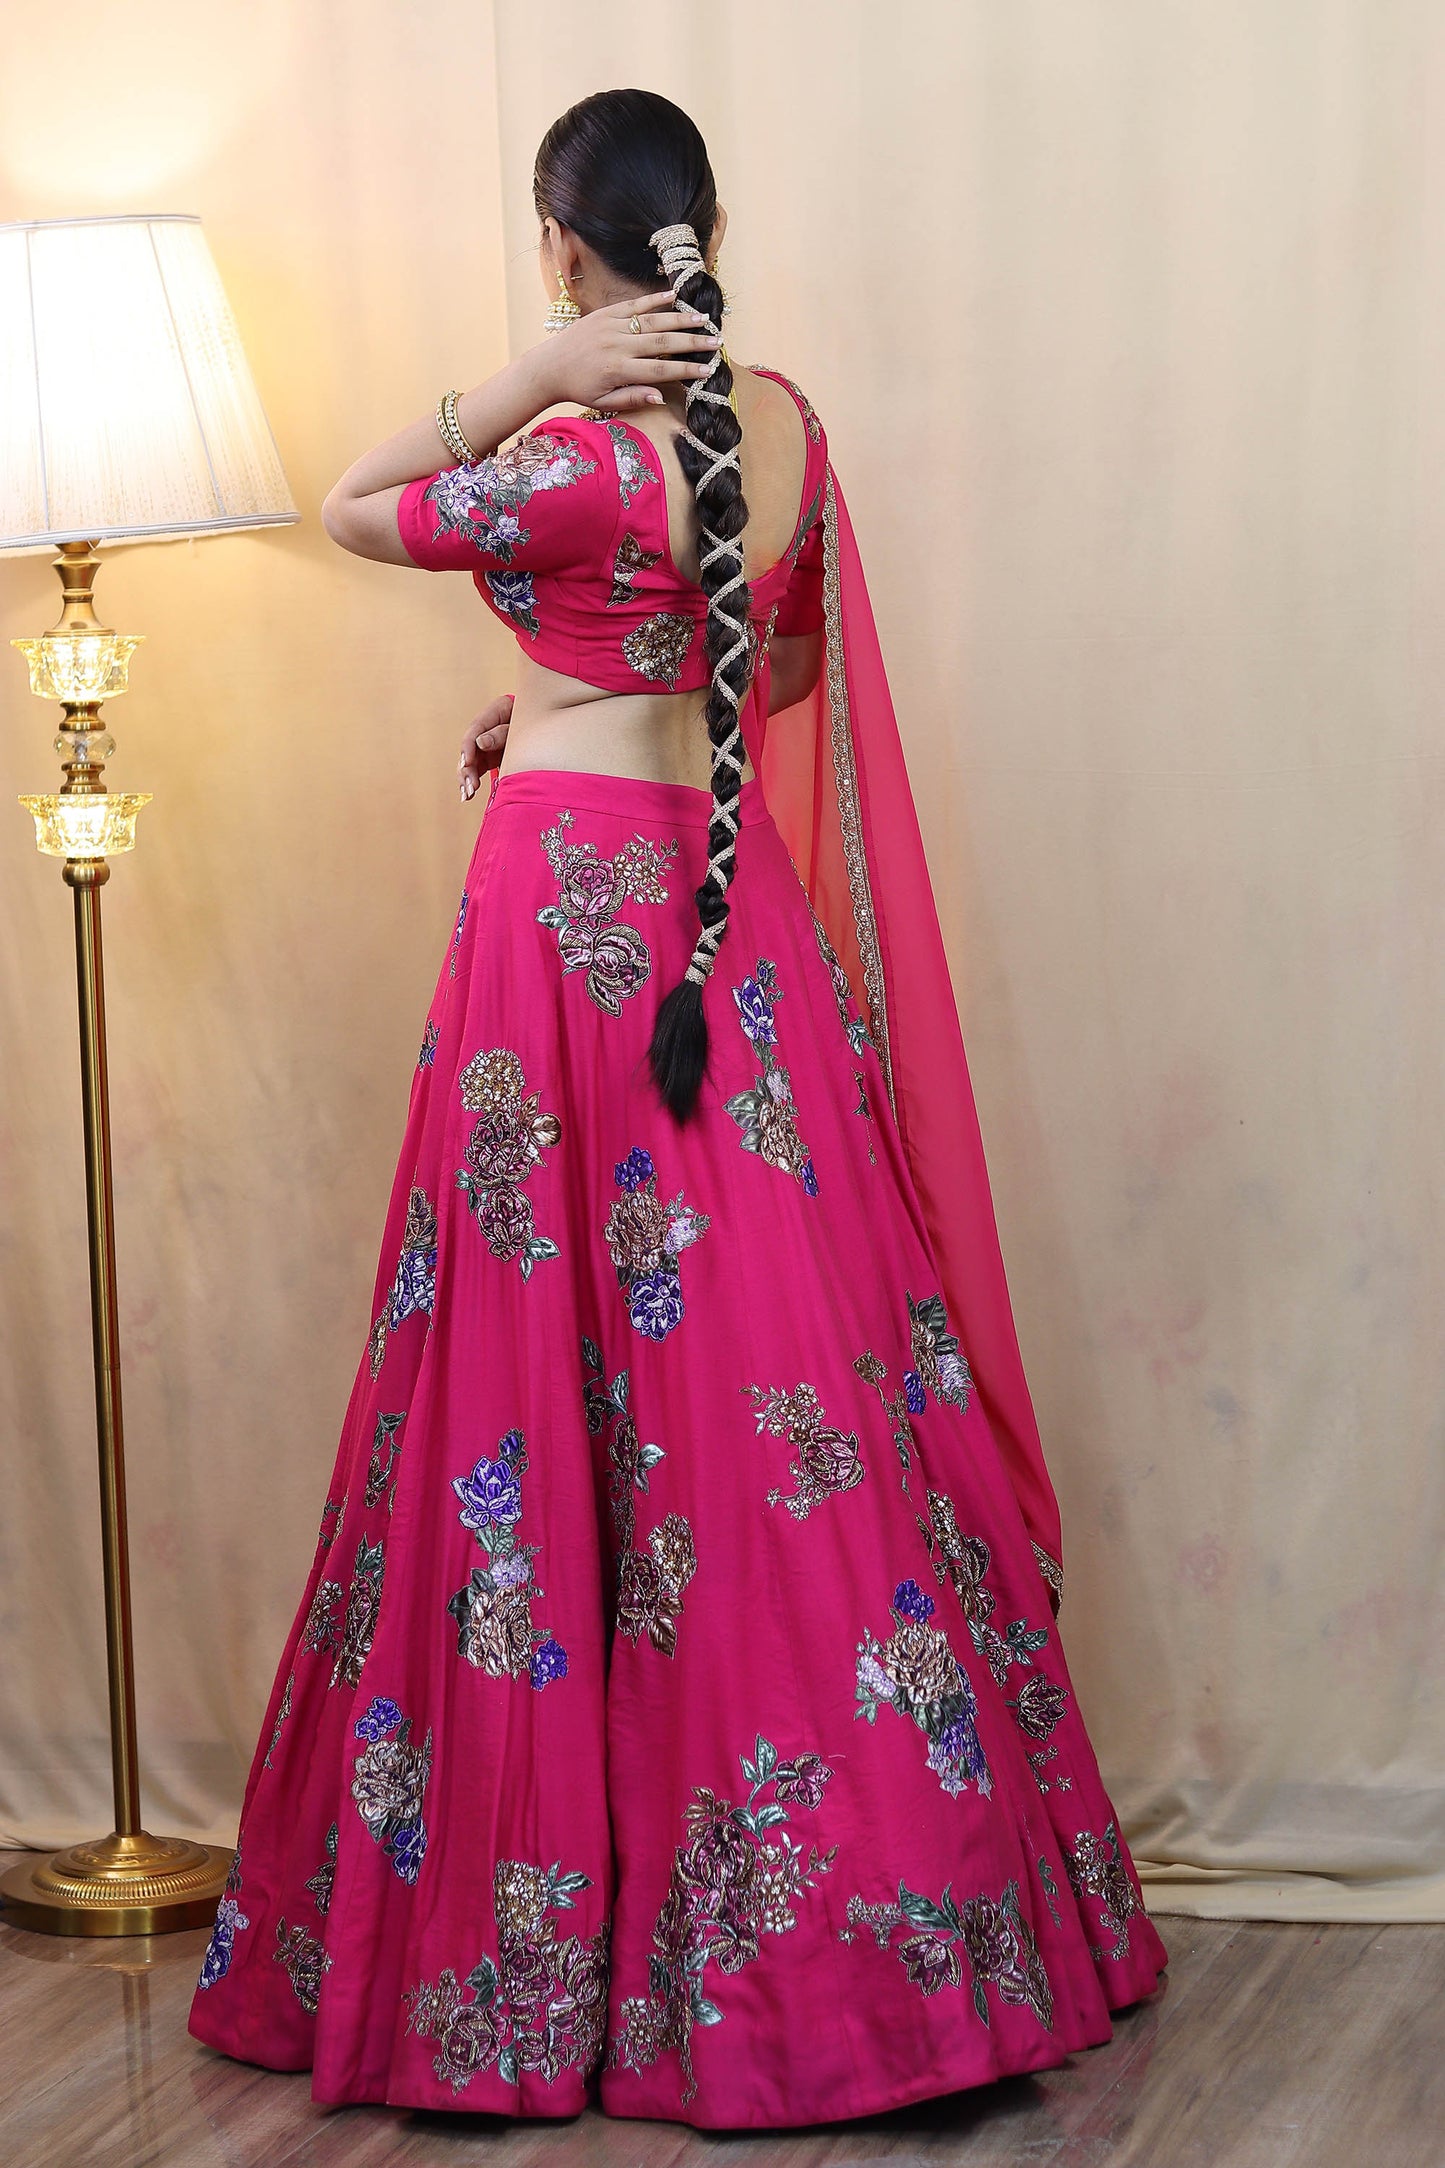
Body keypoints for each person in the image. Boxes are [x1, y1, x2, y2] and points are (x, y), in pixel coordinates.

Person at [187, 86, 1168, 2130]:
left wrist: (523, 387)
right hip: (734, 936)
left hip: (562, 928)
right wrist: (584, 683)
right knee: (786, 1392)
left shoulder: (556, 459)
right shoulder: (784, 429)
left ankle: (530, 1965)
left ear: (565, 249)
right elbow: (768, 666)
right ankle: (907, 1940)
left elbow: (351, 505)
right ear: (705, 231)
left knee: (526, 1386)